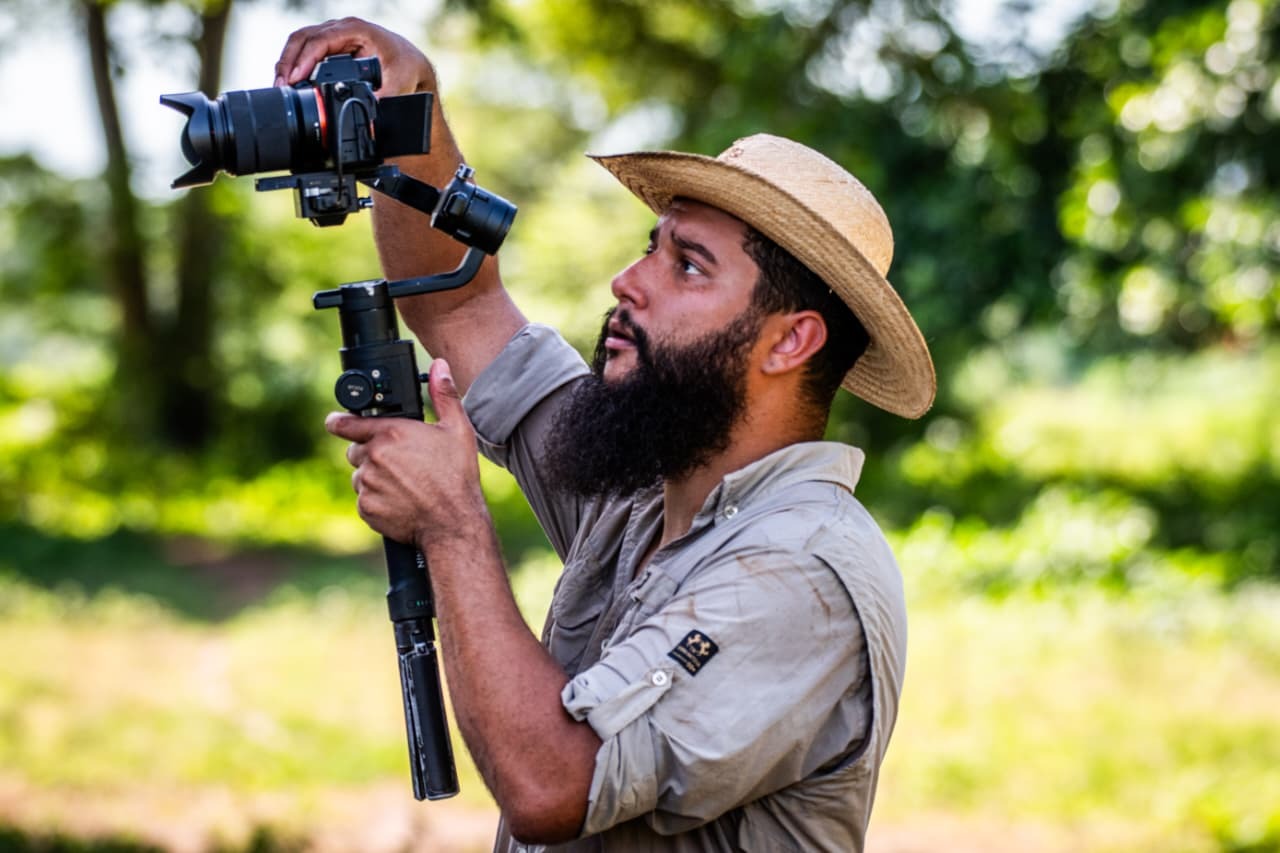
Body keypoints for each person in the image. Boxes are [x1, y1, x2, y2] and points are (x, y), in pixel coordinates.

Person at [275, 17, 935, 852]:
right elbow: (460, 302)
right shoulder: (645, 479)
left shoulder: (801, 571)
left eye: (687, 265)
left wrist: (450, 521)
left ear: (790, 341)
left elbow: (555, 784)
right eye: (649, 249)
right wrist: (412, 102)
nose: (627, 282)